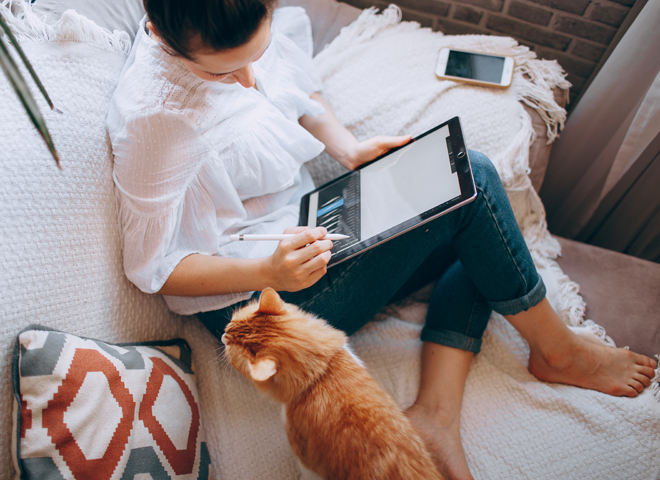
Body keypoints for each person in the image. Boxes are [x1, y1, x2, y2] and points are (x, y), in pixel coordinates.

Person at [106, 1, 657, 478]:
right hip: (260, 304)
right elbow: (152, 267)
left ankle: (435, 414)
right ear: (165, 36)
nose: (252, 80)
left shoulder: (233, 25)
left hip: (311, 230)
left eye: (257, 55)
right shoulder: (155, 118)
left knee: (478, 220)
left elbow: (299, 93)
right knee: (477, 181)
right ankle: (556, 349)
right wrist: (267, 273)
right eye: (228, 74)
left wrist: (348, 149)